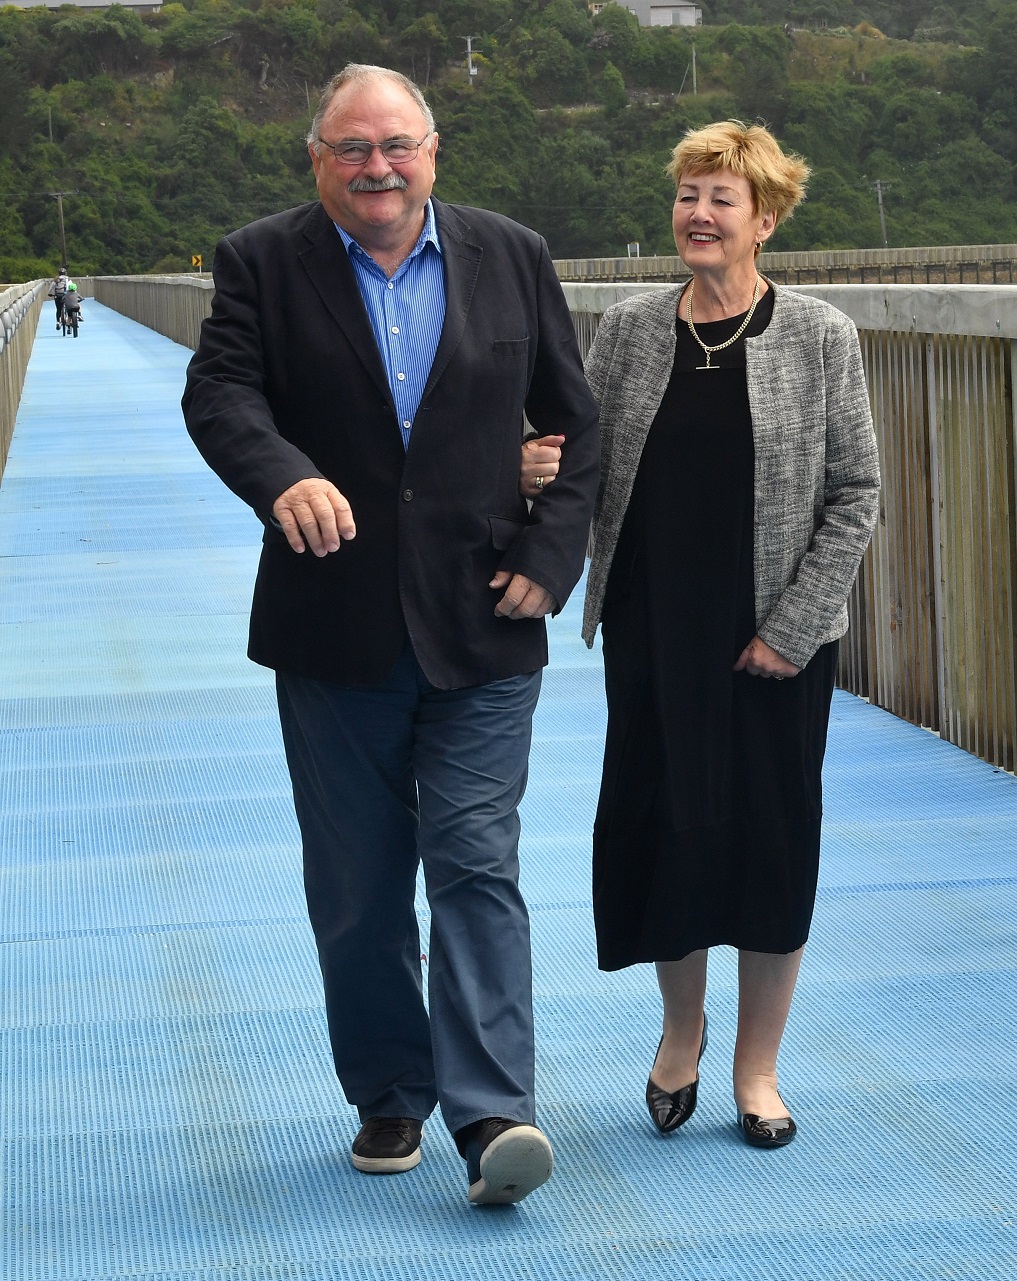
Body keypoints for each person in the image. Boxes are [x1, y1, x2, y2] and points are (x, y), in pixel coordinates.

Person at [181, 63, 599, 1204]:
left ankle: (494, 1113)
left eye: (397, 145)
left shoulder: (510, 251)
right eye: (353, 148)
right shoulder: (259, 260)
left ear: (434, 149)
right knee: (361, 884)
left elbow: (577, 420)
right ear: (316, 158)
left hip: (484, 619)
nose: (378, 167)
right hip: (336, 624)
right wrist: (283, 477)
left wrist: (550, 559)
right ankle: (389, 1093)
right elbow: (221, 397)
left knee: (475, 862)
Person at [523, 121, 879, 1149]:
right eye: (688, 193)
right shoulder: (631, 327)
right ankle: (680, 1036)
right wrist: (537, 478)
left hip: (774, 640)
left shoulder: (819, 334)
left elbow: (856, 494)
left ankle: (757, 1068)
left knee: (771, 841)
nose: (699, 213)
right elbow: (585, 465)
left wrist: (795, 627)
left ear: (765, 218)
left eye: (722, 197)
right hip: (653, 625)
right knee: (665, 830)